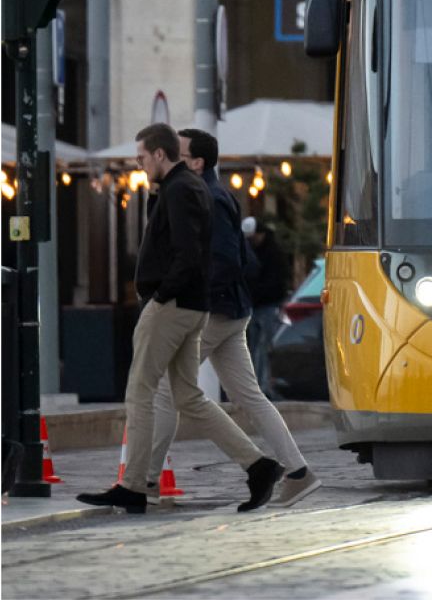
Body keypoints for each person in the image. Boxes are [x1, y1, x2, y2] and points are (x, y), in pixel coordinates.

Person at [78, 123, 284, 514]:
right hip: (192, 307)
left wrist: (160, 295)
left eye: (141, 157)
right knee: (188, 396)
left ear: (159, 154)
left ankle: (134, 486)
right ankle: (259, 466)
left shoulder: (180, 190)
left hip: (173, 307)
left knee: (140, 391)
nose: (138, 164)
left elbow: (189, 254)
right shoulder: (187, 188)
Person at [146, 130, 322, 508]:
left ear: (196, 163)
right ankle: (298, 473)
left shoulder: (206, 197)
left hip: (213, 311)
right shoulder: (204, 195)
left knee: (162, 387)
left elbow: (227, 260)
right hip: (228, 311)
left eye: (179, 154)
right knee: (249, 396)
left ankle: (144, 484)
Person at [244, 216, 289, 393]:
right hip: (258, 305)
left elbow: (276, 281)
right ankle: (259, 386)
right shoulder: (261, 251)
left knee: (262, 347)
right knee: (255, 347)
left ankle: (261, 386)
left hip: (267, 306)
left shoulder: (272, 254)